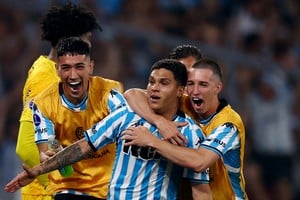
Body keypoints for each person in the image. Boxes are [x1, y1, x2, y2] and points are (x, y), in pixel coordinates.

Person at [5, 58, 212, 200]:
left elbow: (201, 190)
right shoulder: (127, 115)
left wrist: (152, 141)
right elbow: (83, 146)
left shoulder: (191, 133)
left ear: (180, 90)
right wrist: (39, 170)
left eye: (164, 83)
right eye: (151, 82)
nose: (154, 88)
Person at [123, 58, 248, 199]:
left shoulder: (228, 123)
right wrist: (160, 122)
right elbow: (132, 94)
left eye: (203, 85)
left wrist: (152, 141)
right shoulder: (186, 103)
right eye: (190, 84)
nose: (195, 91)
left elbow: (199, 162)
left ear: (217, 88)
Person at [15, 3, 102, 200]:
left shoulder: (54, 73)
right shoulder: (46, 79)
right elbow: (27, 146)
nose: (90, 45)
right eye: (86, 39)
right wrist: (65, 184)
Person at [21, 36, 124, 200]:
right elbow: (44, 149)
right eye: (66, 68)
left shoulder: (110, 92)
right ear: (57, 69)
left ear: (91, 67)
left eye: (79, 67)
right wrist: (47, 155)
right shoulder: (42, 103)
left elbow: (127, 122)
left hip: (107, 191)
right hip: (66, 190)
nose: (73, 75)